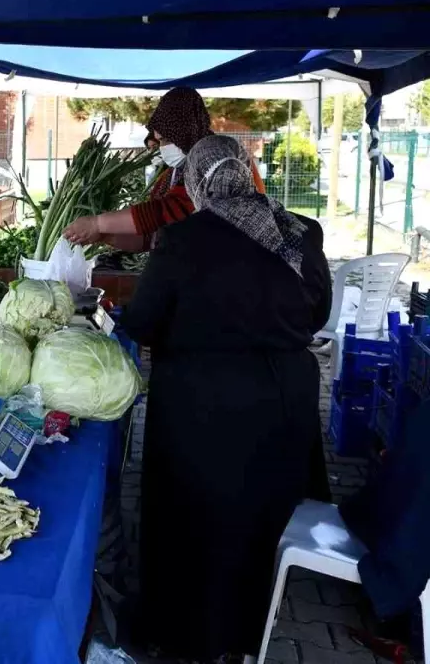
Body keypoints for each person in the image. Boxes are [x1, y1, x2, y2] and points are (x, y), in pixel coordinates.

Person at [118, 134, 331, 663]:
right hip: (283, 399)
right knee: (260, 519)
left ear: (195, 181)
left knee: (194, 520)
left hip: (201, 404)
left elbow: (142, 321)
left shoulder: (183, 238)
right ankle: (249, 631)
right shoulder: (301, 231)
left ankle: (187, 637)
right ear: (246, 170)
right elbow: (319, 313)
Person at [62, 87, 265, 252]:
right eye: (159, 141)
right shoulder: (170, 176)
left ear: (186, 133)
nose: (162, 147)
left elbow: (169, 210)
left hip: (228, 267)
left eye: (166, 139)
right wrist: (103, 236)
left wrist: (98, 223)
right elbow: (150, 236)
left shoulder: (215, 161)